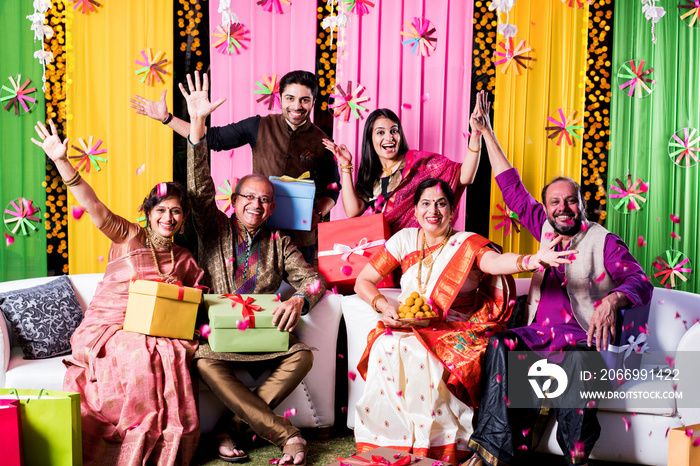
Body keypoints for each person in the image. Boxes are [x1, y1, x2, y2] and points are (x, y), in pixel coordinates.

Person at [465, 91, 654, 466]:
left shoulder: (603, 241)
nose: (563, 208)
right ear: (547, 209)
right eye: (555, 202)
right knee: (501, 345)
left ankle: (576, 459)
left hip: (582, 341)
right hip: (539, 335)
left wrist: (612, 301)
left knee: (578, 361)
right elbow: (512, 189)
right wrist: (486, 132)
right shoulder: (545, 231)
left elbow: (640, 281)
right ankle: (495, 455)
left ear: (581, 204)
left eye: (570, 201)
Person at [352, 178, 575, 464]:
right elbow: (364, 280)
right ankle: (390, 440)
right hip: (406, 325)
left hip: (456, 328)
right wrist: (383, 305)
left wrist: (530, 261)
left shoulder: (466, 243)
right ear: (416, 211)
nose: (434, 211)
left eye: (441, 203)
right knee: (383, 345)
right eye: (426, 204)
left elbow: (494, 263)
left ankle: (436, 443)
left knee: (425, 353)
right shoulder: (404, 240)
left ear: (452, 211)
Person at [31, 120, 205, 465]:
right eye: (161, 210)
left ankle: (161, 443)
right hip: (108, 328)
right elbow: (93, 206)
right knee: (137, 351)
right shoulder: (127, 235)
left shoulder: (184, 258)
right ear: (148, 213)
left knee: (170, 353)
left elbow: (193, 301)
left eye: (175, 211)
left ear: (183, 218)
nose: (168, 217)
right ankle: (126, 445)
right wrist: (62, 161)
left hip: (156, 332)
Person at [181, 72, 325, 466]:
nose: (256, 206)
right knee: (201, 359)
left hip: (264, 342)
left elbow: (314, 281)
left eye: (265, 201)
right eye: (248, 197)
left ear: (273, 208)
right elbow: (197, 189)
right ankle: (288, 436)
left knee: (303, 355)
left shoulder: (280, 243)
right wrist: (196, 130)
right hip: (219, 344)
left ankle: (230, 429)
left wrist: (298, 300)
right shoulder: (212, 227)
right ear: (234, 198)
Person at [130, 70, 339, 264]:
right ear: (281, 98)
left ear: (313, 102)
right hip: (259, 231)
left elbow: (333, 187)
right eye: (290, 98)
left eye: (304, 100)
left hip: (301, 239)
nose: (297, 106)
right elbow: (211, 139)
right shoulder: (258, 125)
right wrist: (167, 119)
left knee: (301, 294)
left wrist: (319, 214)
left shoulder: (322, 140)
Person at [321, 107, 482, 233]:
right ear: (370, 139)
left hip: (421, 250)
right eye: (380, 132)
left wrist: (475, 134)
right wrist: (346, 166)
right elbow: (352, 211)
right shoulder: (372, 177)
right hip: (388, 256)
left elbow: (464, 177)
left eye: (394, 131)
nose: (389, 137)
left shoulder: (420, 164)